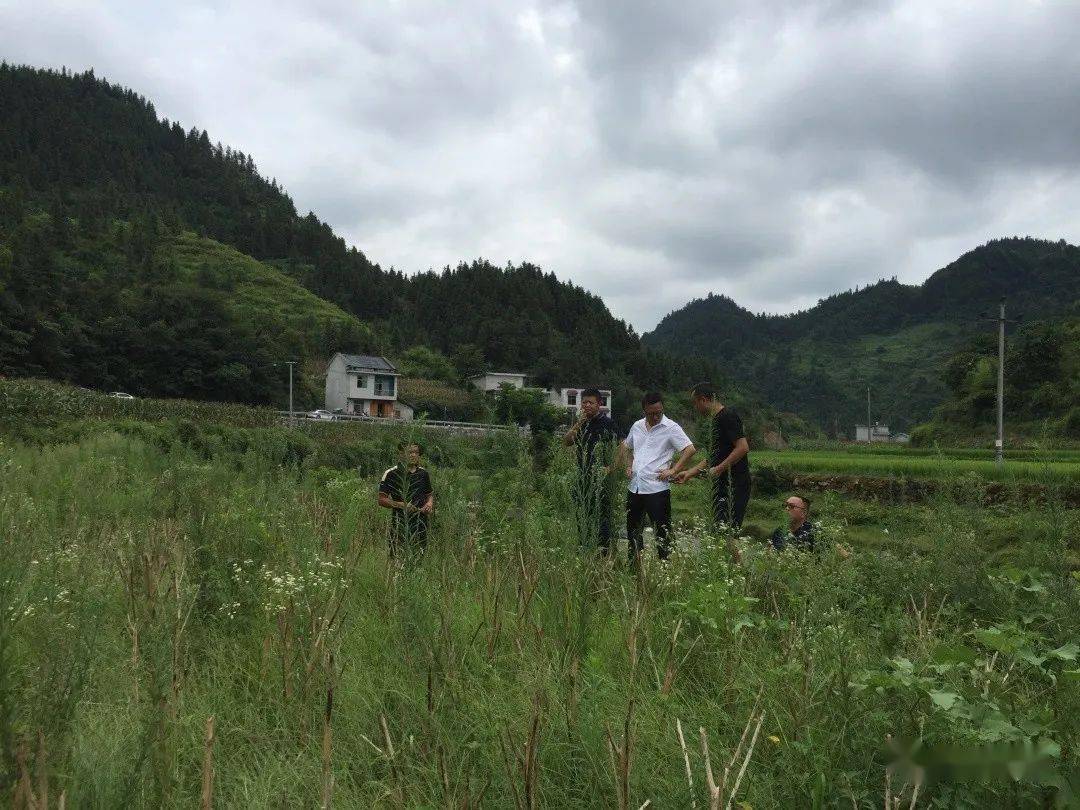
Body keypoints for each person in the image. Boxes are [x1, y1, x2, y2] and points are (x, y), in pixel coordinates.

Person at [616, 392, 696, 562]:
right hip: (635, 487)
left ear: (662, 408)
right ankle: (635, 567)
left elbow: (689, 449)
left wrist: (674, 470)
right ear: (644, 410)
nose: (655, 416)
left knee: (662, 532)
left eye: (658, 412)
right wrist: (628, 465)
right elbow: (625, 446)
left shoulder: (671, 427)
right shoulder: (637, 426)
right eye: (651, 413)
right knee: (633, 531)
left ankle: (665, 568)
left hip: (657, 489)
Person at [676, 383, 751, 529]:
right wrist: (690, 473)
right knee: (719, 531)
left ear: (703, 400)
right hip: (722, 485)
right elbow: (714, 456)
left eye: (695, 403)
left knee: (726, 532)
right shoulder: (715, 420)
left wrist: (718, 469)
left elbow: (742, 447)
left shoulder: (727, 416)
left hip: (734, 485)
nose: (695, 408)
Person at [563, 388, 619, 555]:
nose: (587, 405)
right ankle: (584, 550)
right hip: (582, 477)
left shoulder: (608, 424)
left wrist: (611, 468)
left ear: (599, 404)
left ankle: (604, 554)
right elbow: (566, 442)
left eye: (591, 402)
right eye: (584, 402)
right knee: (583, 514)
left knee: (602, 518)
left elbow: (622, 447)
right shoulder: (581, 423)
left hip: (601, 478)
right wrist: (580, 422)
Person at [378, 441, 434, 559]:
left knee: (419, 556)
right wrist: (401, 505)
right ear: (401, 454)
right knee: (396, 556)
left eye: (416, 452)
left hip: (420, 522)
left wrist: (429, 503)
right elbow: (382, 500)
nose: (413, 455)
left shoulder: (423, 474)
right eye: (410, 452)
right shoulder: (391, 474)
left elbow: (429, 494)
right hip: (400, 522)